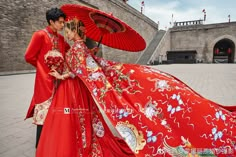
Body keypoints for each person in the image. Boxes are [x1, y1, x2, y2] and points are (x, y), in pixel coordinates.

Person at [37, 18, 235, 157]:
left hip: (74, 90)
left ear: (74, 31)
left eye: (68, 30)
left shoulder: (77, 49)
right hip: (77, 90)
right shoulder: (82, 48)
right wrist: (92, 56)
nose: (66, 33)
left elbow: (80, 72)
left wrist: (61, 74)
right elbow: (87, 66)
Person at [24, 7, 70, 148]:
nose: (63, 25)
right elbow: (29, 56)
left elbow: (71, 53)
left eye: (63, 22)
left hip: (59, 80)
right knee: (44, 111)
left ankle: (53, 141)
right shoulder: (40, 35)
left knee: (57, 111)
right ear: (51, 21)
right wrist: (43, 68)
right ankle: (40, 146)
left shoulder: (61, 39)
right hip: (44, 81)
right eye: (60, 22)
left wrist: (87, 52)